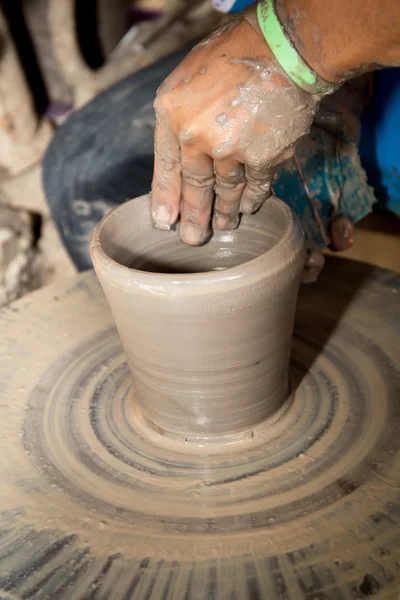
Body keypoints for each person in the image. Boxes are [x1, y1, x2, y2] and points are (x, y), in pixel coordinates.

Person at [43, 0, 400, 280]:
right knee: (83, 170)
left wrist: (288, 55)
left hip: (335, 45)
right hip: (295, 28)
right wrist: (339, 90)